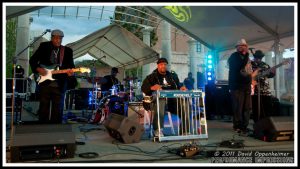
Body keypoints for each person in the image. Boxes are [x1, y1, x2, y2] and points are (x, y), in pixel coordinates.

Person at [29, 29, 76, 124]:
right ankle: (42, 129)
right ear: (52, 38)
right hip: (44, 83)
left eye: (60, 38)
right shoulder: (44, 46)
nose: (58, 40)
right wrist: (39, 69)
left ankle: (56, 130)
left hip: (59, 83)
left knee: (58, 109)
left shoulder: (67, 51)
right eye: (56, 38)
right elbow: (33, 60)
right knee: (43, 108)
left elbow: (71, 65)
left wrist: (71, 71)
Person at [141, 58, 187, 137]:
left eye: (165, 64)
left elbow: (178, 86)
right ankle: (158, 130)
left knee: (184, 104)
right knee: (161, 99)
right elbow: (143, 88)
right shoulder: (151, 77)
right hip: (154, 102)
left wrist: (181, 88)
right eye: (161, 64)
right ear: (158, 65)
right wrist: (152, 87)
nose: (163, 66)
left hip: (171, 103)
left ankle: (185, 130)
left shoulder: (172, 76)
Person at [227, 39, 259, 134]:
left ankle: (244, 126)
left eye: (244, 45)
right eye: (240, 45)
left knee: (247, 107)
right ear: (237, 48)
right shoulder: (234, 57)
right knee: (238, 107)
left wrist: (253, 76)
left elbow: (248, 71)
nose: (243, 47)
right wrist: (247, 55)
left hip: (246, 85)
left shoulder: (247, 58)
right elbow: (239, 67)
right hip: (236, 86)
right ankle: (237, 125)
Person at [250, 50, 276, 122]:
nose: (258, 59)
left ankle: (266, 122)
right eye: (257, 57)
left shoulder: (265, 65)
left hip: (266, 90)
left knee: (267, 107)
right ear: (254, 57)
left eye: (260, 57)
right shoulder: (250, 65)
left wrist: (273, 73)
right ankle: (257, 123)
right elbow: (249, 76)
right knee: (256, 107)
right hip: (255, 90)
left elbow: (270, 75)